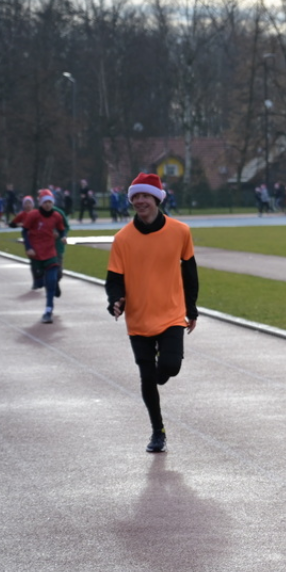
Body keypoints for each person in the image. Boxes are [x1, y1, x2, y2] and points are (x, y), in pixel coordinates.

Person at [105, 172, 200, 454]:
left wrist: (191, 308)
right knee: (147, 379)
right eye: (135, 197)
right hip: (139, 317)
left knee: (170, 367)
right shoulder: (123, 238)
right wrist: (115, 300)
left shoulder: (180, 231)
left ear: (157, 198)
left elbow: (190, 272)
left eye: (145, 195)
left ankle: (160, 370)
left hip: (171, 313)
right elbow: (113, 278)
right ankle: (157, 431)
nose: (140, 201)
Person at [19, 189, 68, 322]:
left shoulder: (57, 216)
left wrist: (63, 237)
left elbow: (62, 229)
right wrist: (28, 247)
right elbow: (24, 231)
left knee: (51, 282)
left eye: (50, 202)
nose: (47, 205)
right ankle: (39, 279)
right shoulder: (33, 215)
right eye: (45, 202)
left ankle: (48, 310)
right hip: (36, 254)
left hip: (51, 253)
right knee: (40, 282)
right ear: (40, 203)